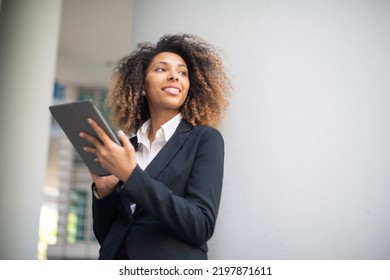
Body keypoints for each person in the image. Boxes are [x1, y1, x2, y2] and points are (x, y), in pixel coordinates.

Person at [79, 34, 232, 260]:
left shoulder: (204, 139)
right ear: (142, 86)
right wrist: (105, 190)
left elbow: (201, 226)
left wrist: (131, 176)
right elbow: (109, 236)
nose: (174, 76)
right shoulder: (126, 148)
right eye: (161, 69)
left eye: (182, 72)